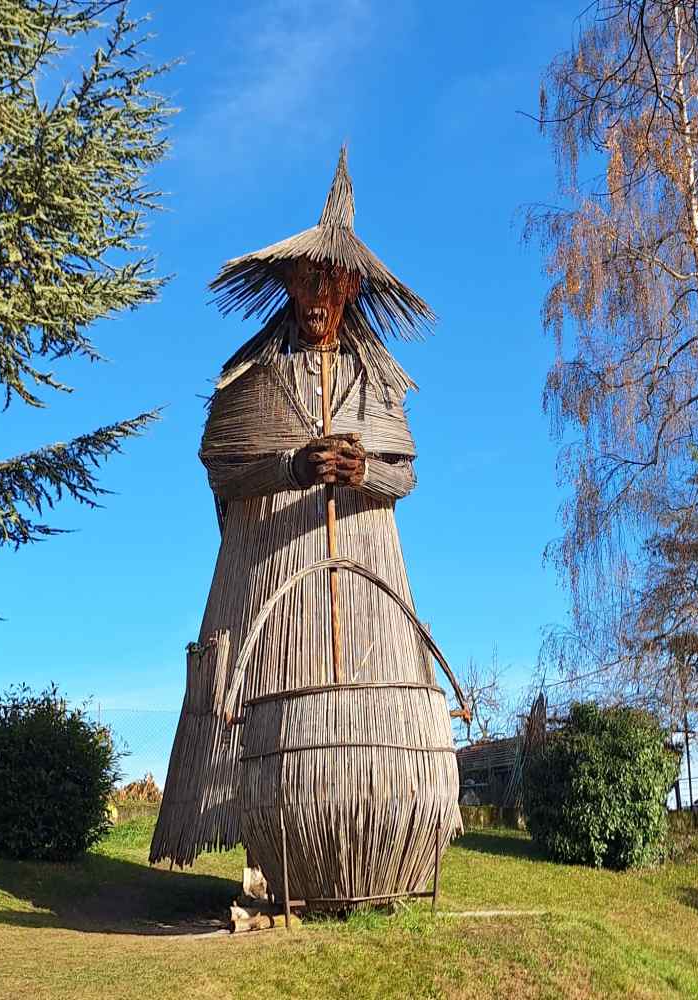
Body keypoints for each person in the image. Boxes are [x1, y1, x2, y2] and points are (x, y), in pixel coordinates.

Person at [151, 148, 442, 867]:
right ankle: (261, 853)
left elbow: (404, 474)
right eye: (305, 280)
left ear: (353, 289)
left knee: (365, 717)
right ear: (285, 283)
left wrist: (361, 467)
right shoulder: (250, 380)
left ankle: (374, 850)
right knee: (259, 710)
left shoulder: (374, 382)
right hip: (269, 576)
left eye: (331, 283)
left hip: (365, 579)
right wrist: (291, 464)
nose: (317, 297)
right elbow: (221, 467)